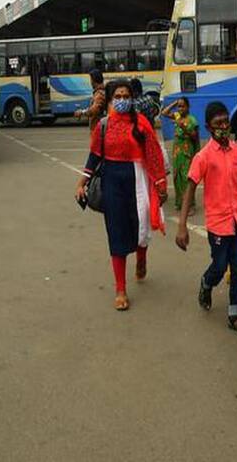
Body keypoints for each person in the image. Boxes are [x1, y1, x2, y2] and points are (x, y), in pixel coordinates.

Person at [75, 79, 167, 311]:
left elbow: (153, 154)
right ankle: (120, 289)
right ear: (110, 99)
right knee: (116, 233)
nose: (123, 100)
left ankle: (142, 257)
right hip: (112, 183)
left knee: (142, 226)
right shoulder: (103, 126)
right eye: (118, 96)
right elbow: (94, 156)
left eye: (127, 96)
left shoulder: (142, 124)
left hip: (139, 181)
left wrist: (160, 183)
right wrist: (82, 182)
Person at [175, 102, 237, 337]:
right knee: (220, 267)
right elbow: (190, 189)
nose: (224, 126)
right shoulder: (203, 157)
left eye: (225, 122)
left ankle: (234, 314)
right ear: (209, 127)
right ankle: (207, 283)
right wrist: (182, 227)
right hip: (218, 225)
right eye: (218, 123)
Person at [162, 97, 200, 212]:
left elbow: (194, 136)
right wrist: (174, 103)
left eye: (183, 106)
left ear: (188, 107)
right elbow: (164, 113)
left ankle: (190, 205)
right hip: (177, 151)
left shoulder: (192, 120)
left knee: (186, 178)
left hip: (187, 150)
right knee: (177, 177)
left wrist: (182, 125)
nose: (180, 109)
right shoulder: (177, 116)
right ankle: (180, 203)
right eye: (179, 106)